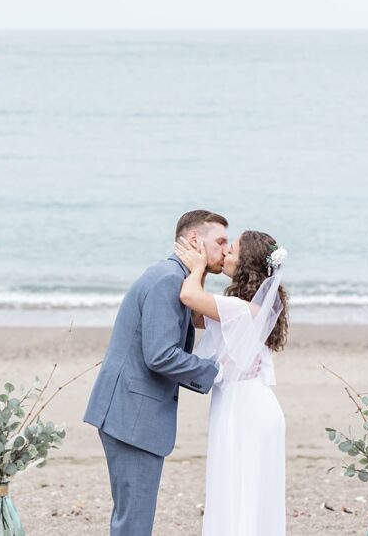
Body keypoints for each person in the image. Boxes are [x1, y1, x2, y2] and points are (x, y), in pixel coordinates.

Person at [84, 210, 226, 536]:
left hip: (128, 411)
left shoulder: (175, 277)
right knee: (133, 524)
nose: (224, 249)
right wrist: (216, 372)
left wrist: (204, 272)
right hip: (131, 417)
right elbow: (160, 356)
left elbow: (198, 319)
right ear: (194, 240)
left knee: (131, 518)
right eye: (219, 241)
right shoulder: (167, 280)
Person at [174, 229, 288, 536]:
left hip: (246, 409)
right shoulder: (241, 306)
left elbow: (189, 297)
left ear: (246, 263)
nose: (225, 254)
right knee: (241, 488)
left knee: (243, 490)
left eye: (233, 250)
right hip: (245, 403)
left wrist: (197, 267)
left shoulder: (242, 309)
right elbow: (198, 316)